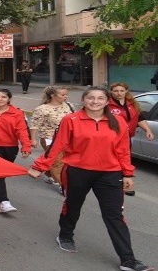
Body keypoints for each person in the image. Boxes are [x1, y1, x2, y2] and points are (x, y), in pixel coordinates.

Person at [28, 87, 154, 271]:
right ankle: (65, 235)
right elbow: (58, 145)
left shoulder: (117, 121)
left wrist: (127, 173)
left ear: (106, 101)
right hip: (78, 172)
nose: (95, 101)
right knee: (73, 206)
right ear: (83, 100)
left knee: (115, 216)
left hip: (110, 174)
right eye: (91, 98)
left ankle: (128, 259)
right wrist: (40, 167)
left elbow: (123, 150)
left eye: (100, 98)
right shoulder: (71, 120)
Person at [108, 82, 155, 196]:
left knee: (125, 159)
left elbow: (140, 118)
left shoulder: (132, 103)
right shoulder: (107, 105)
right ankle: (116, 184)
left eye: (122, 91)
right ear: (111, 92)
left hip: (129, 136)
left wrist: (147, 130)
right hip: (113, 137)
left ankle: (125, 183)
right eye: (116, 91)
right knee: (115, 160)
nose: (119, 93)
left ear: (126, 91)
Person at [29, 86, 74, 188]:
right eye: (62, 95)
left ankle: (49, 175)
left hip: (67, 138)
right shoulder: (42, 109)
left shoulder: (69, 106)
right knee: (58, 162)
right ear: (53, 95)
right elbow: (35, 125)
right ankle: (64, 187)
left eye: (66, 94)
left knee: (62, 159)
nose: (65, 97)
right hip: (49, 138)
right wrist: (33, 139)